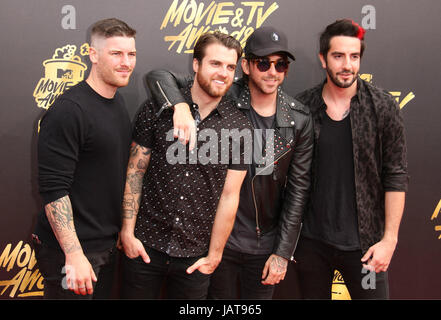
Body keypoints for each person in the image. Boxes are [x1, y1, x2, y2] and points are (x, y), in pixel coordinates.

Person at [144, 26, 314, 299]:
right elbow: (158, 76)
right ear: (246, 66)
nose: (272, 72)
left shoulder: (298, 120)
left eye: (281, 64)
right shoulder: (224, 94)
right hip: (217, 240)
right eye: (263, 63)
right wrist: (181, 106)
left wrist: (282, 252)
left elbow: (298, 192)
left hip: (263, 245)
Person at [119, 31, 252, 299]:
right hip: (144, 246)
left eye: (230, 66)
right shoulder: (158, 108)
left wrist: (214, 256)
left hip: (194, 260)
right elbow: (135, 172)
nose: (223, 73)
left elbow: (229, 196)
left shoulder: (240, 127)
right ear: (196, 64)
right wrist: (127, 232)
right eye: (215, 63)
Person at [294, 19, 409, 299]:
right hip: (311, 244)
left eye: (354, 56)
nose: (347, 65)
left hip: (366, 246)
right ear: (323, 59)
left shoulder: (382, 107)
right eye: (338, 56)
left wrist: (389, 240)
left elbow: (396, 175)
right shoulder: (302, 107)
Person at [33, 18, 136, 299]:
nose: (126, 62)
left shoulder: (117, 102)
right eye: (116, 53)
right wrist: (74, 255)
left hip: (104, 245)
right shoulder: (70, 110)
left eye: (131, 54)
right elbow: (54, 190)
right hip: (72, 253)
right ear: (93, 54)